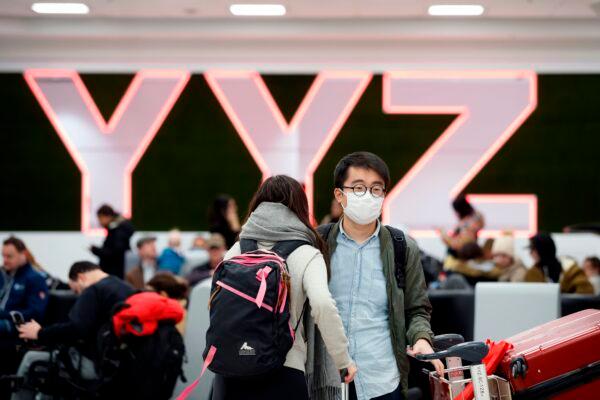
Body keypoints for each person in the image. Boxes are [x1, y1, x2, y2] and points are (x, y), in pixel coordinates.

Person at [213, 175, 357, 400]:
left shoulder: (237, 249)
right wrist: (342, 359)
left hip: (231, 372)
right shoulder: (307, 253)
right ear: (300, 207)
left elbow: (218, 306)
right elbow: (322, 304)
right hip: (284, 370)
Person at [324, 152, 443, 400]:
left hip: (381, 380)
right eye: (358, 188)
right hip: (326, 380)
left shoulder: (402, 247)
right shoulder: (319, 243)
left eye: (376, 189)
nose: (368, 196)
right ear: (339, 195)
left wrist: (421, 338)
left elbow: (417, 309)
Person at [14, 261, 135, 400]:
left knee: (32, 359)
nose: (78, 295)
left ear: (81, 277)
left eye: (77, 291)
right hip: (121, 366)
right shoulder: (125, 288)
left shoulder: (93, 290)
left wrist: (40, 333)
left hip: (96, 366)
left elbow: (76, 329)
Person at [1, 237, 49, 338]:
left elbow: (35, 313)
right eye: (3, 256)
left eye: (9, 257)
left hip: (16, 326)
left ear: (23, 254)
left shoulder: (35, 278)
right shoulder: (3, 275)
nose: (4, 260)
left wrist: (4, 314)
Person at [525, 233, 594, 294]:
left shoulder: (572, 270)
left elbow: (586, 293)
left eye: (533, 249)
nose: (530, 253)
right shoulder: (532, 274)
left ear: (542, 250)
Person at [90, 204, 135, 279]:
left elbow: (114, 252)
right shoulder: (117, 229)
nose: (100, 222)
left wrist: (98, 251)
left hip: (115, 272)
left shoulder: (117, 231)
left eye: (100, 219)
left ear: (107, 216)